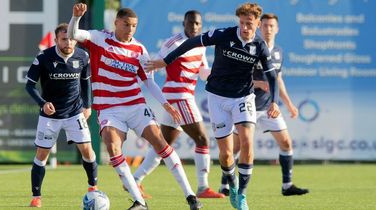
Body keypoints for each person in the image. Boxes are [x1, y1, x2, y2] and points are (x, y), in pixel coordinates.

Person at [146, 3, 280, 210]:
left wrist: (274, 102)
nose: (245, 28)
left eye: (249, 24)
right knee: (226, 154)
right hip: (217, 97)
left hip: (243, 97)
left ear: (257, 24)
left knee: (247, 143)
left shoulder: (260, 46)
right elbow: (191, 43)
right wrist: (166, 61)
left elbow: (272, 75)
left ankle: (242, 195)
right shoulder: (223, 34)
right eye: (242, 23)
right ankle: (232, 184)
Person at [68, 3, 202, 210]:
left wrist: (165, 104)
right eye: (126, 24)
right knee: (112, 147)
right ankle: (139, 202)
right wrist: (76, 17)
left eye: (134, 26)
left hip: (135, 105)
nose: (130, 29)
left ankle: (191, 196)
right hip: (109, 109)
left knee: (160, 142)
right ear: (116, 23)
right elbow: (73, 33)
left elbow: (149, 82)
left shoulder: (139, 49)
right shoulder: (99, 38)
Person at [132, 10, 224, 199]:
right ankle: (203, 188)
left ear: (201, 25)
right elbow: (154, 64)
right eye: (190, 23)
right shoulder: (173, 43)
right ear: (184, 23)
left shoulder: (201, 43)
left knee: (163, 145)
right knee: (202, 140)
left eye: (197, 24)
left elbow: (203, 72)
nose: (194, 27)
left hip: (180, 96)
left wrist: (220, 73)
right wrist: (143, 79)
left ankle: (135, 180)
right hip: (179, 96)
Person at [218, 13, 309, 197]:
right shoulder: (253, 46)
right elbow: (238, 74)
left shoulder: (279, 52)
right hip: (246, 105)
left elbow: (278, 80)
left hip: (269, 108)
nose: (268, 29)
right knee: (234, 149)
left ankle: (287, 185)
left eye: (271, 26)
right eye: (265, 25)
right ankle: (225, 185)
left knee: (286, 143)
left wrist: (289, 104)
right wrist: (257, 83)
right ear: (259, 27)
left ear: (277, 29)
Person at [25, 23, 98, 208]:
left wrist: (88, 105)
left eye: (72, 38)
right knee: (42, 155)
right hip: (49, 115)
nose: (68, 42)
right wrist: (43, 103)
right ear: (56, 40)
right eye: (64, 39)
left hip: (75, 112)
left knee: (88, 151)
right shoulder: (44, 57)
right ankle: (36, 197)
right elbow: (29, 86)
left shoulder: (83, 56)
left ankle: (93, 189)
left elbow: (86, 82)